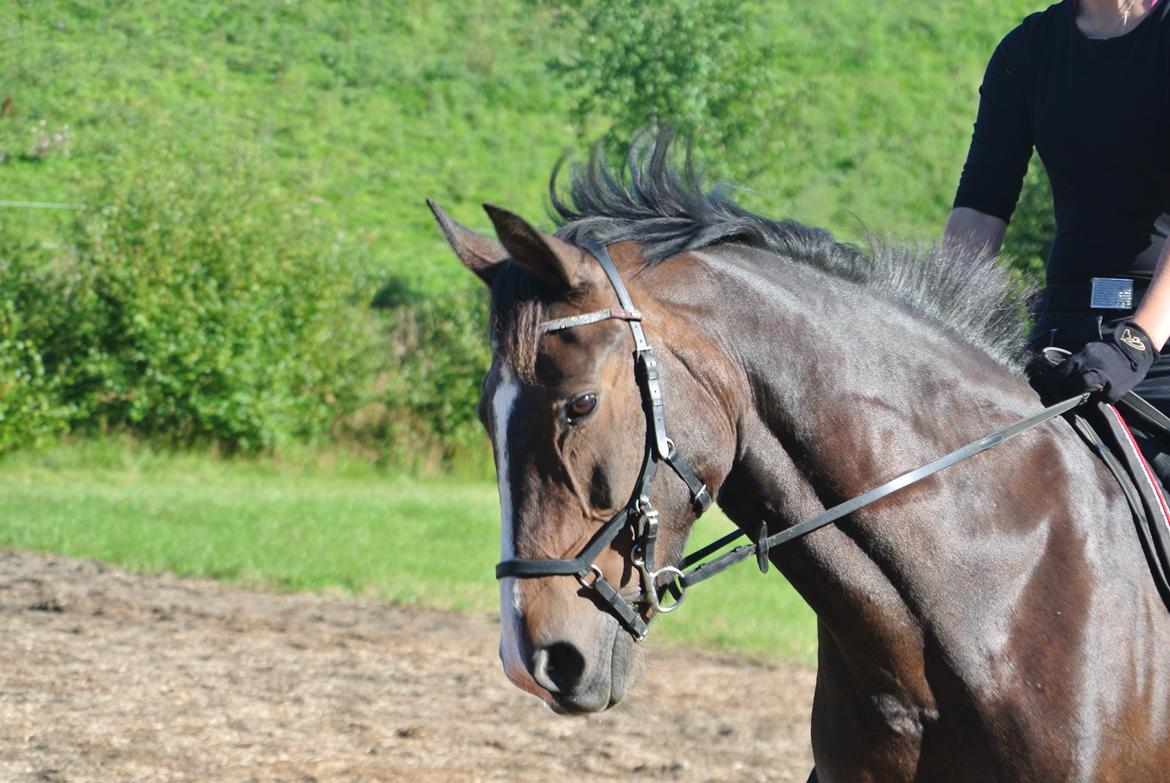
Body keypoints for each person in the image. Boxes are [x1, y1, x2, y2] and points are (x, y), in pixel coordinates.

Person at [943, 0, 1170, 480]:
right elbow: (981, 207)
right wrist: (938, 325)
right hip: (1062, 337)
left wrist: (1137, 342)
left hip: (1158, 340)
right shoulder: (1028, 49)